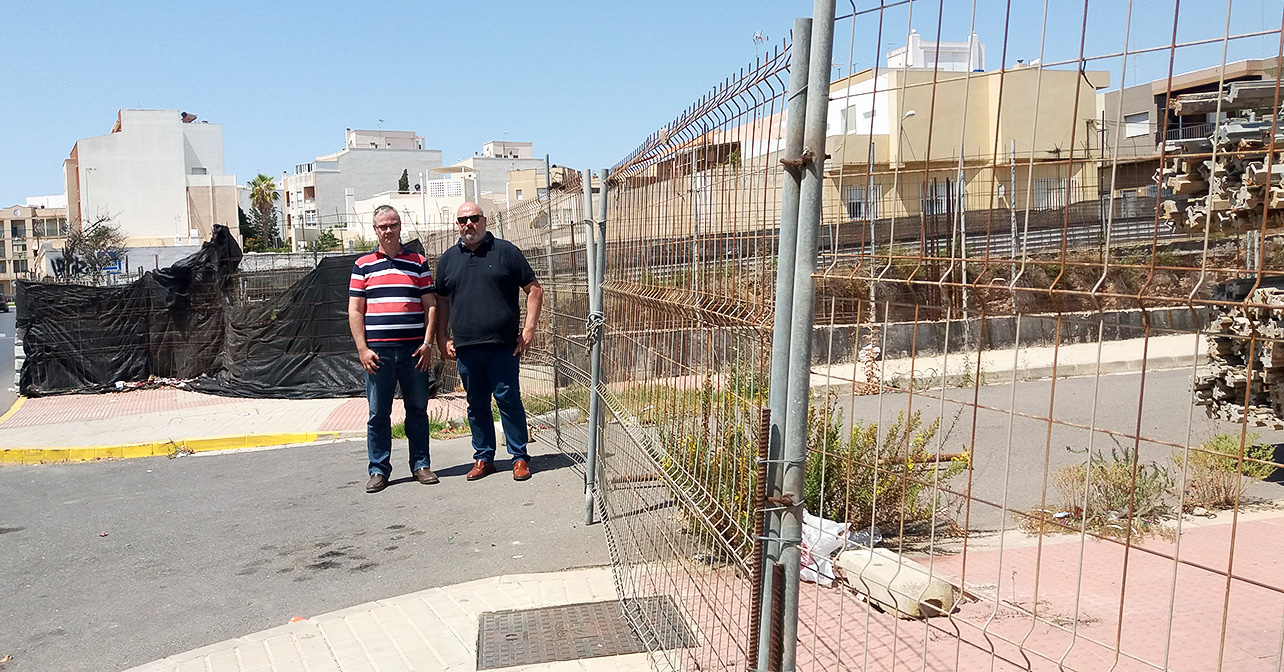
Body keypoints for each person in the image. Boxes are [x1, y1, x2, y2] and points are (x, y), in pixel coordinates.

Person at [435, 202, 544, 481]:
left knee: (508, 400)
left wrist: (529, 330)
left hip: (502, 345)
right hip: (466, 348)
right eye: (462, 220)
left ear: (484, 220)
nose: (468, 224)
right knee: (476, 403)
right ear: (457, 224)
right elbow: (441, 300)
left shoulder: (507, 252)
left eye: (473, 218)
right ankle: (484, 458)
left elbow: (534, 290)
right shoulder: (447, 260)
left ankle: (519, 457)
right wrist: (441, 337)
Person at [348, 205, 437, 493]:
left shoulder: (418, 262)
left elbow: (431, 305)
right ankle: (378, 469)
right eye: (382, 226)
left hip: (414, 352)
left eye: (393, 225)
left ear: (400, 227)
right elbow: (355, 310)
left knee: (418, 410)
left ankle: (421, 465)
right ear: (375, 230)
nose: (388, 230)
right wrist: (362, 349)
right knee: (377, 414)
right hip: (378, 354)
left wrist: (427, 343)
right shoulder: (362, 265)